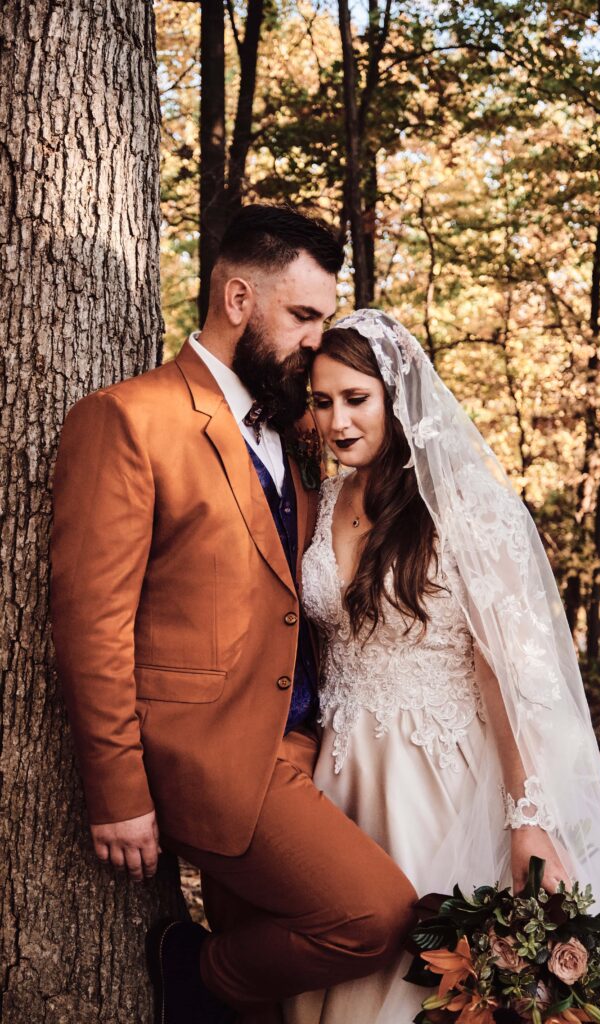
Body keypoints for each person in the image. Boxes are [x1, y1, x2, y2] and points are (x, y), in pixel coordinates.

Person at [50, 211, 417, 1024]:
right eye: (304, 316)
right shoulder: (128, 420)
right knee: (375, 916)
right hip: (210, 760)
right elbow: (90, 624)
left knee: (286, 1007)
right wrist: (117, 793)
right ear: (240, 296)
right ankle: (195, 972)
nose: (320, 340)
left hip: (307, 745)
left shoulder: (295, 423)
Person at [284, 308, 600, 1024]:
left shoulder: (464, 506)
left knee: (431, 974)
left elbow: (511, 673)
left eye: (356, 399)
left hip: (438, 779)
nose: (337, 420)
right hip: (338, 780)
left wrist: (527, 817)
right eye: (322, 401)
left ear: (396, 400)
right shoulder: (329, 496)